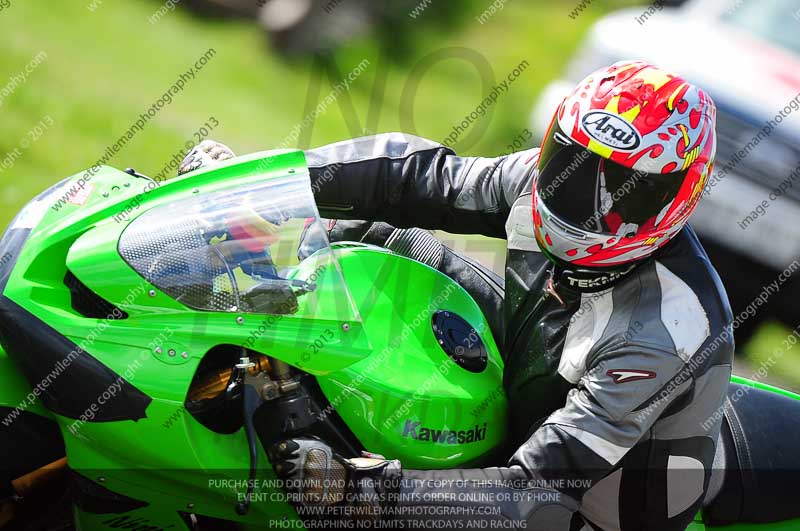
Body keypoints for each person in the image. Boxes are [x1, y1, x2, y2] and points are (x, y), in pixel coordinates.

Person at [180, 60, 732, 530]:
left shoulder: (666, 330)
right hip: (532, 357)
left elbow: (541, 485)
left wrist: (363, 494)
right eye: (574, 166)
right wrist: (259, 187)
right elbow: (419, 178)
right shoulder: (540, 184)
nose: (584, 200)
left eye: (623, 193)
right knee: (366, 237)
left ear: (678, 200)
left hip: (593, 505)